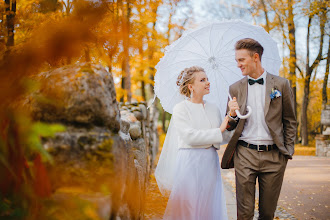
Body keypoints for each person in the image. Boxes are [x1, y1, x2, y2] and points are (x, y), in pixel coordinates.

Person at [221, 38, 297, 220]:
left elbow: (290, 120)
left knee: (267, 213)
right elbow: (230, 124)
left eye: (241, 60)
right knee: (244, 213)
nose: (238, 64)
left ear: (255, 57)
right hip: (245, 154)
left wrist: (287, 151)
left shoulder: (281, 85)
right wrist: (231, 113)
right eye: (237, 60)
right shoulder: (234, 88)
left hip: (274, 156)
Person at [155, 66, 234, 220]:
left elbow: (222, 137)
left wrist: (231, 117)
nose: (208, 82)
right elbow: (190, 137)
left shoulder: (214, 108)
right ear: (191, 86)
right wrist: (219, 130)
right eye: (202, 80)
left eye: (207, 79)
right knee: (189, 204)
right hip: (190, 162)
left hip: (210, 163)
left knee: (208, 203)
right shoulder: (180, 109)